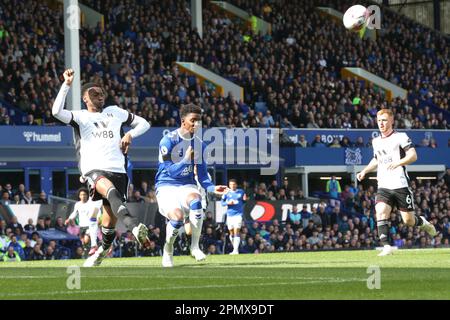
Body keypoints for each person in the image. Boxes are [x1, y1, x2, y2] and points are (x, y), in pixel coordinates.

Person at [52, 69, 151, 267]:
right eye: (94, 94)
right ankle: (133, 225)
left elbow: (144, 123)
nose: (100, 96)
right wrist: (66, 85)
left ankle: (102, 250)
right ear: (85, 99)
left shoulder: (115, 112)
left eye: (102, 93)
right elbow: (56, 112)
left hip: (119, 170)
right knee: (110, 191)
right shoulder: (79, 117)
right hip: (94, 169)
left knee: (108, 224)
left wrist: (130, 135)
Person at [155, 103, 228, 267]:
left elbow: (202, 175)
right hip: (166, 186)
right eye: (193, 120)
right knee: (178, 218)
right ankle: (168, 250)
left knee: (196, 201)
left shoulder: (200, 145)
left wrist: (212, 188)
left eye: (199, 121)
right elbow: (171, 172)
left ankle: (194, 246)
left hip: (186, 185)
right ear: (183, 121)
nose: (197, 124)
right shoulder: (168, 141)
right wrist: (187, 159)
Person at [357, 109, 436, 256]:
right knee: (380, 212)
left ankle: (424, 223)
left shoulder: (400, 137)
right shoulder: (376, 141)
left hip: (400, 185)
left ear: (392, 121)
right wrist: (364, 171)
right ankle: (386, 246)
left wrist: (398, 163)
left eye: (385, 120)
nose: (381, 123)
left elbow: (413, 156)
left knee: (408, 221)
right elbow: (376, 159)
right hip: (383, 186)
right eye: (379, 120)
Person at [65, 188, 102, 256]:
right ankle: (89, 252)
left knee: (86, 239)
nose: (83, 196)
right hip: (81, 226)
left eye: (85, 194)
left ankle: (94, 249)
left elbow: (97, 210)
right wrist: (69, 219)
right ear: (79, 196)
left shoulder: (91, 203)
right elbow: (74, 213)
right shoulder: (77, 204)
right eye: (81, 195)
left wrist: (98, 218)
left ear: (87, 195)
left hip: (89, 225)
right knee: (84, 242)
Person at [221, 179, 247, 255]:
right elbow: (222, 203)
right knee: (231, 233)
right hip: (229, 215)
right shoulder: (226, 193)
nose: (232, 186)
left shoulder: (241, 192)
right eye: (231, 184)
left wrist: (245, 200)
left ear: (236, 185)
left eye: (234, 184)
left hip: (238, 215)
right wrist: (228, 202)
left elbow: (244, 201)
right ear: (229, 185)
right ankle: (235, 248)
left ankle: (236, 250)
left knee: (236, 231)